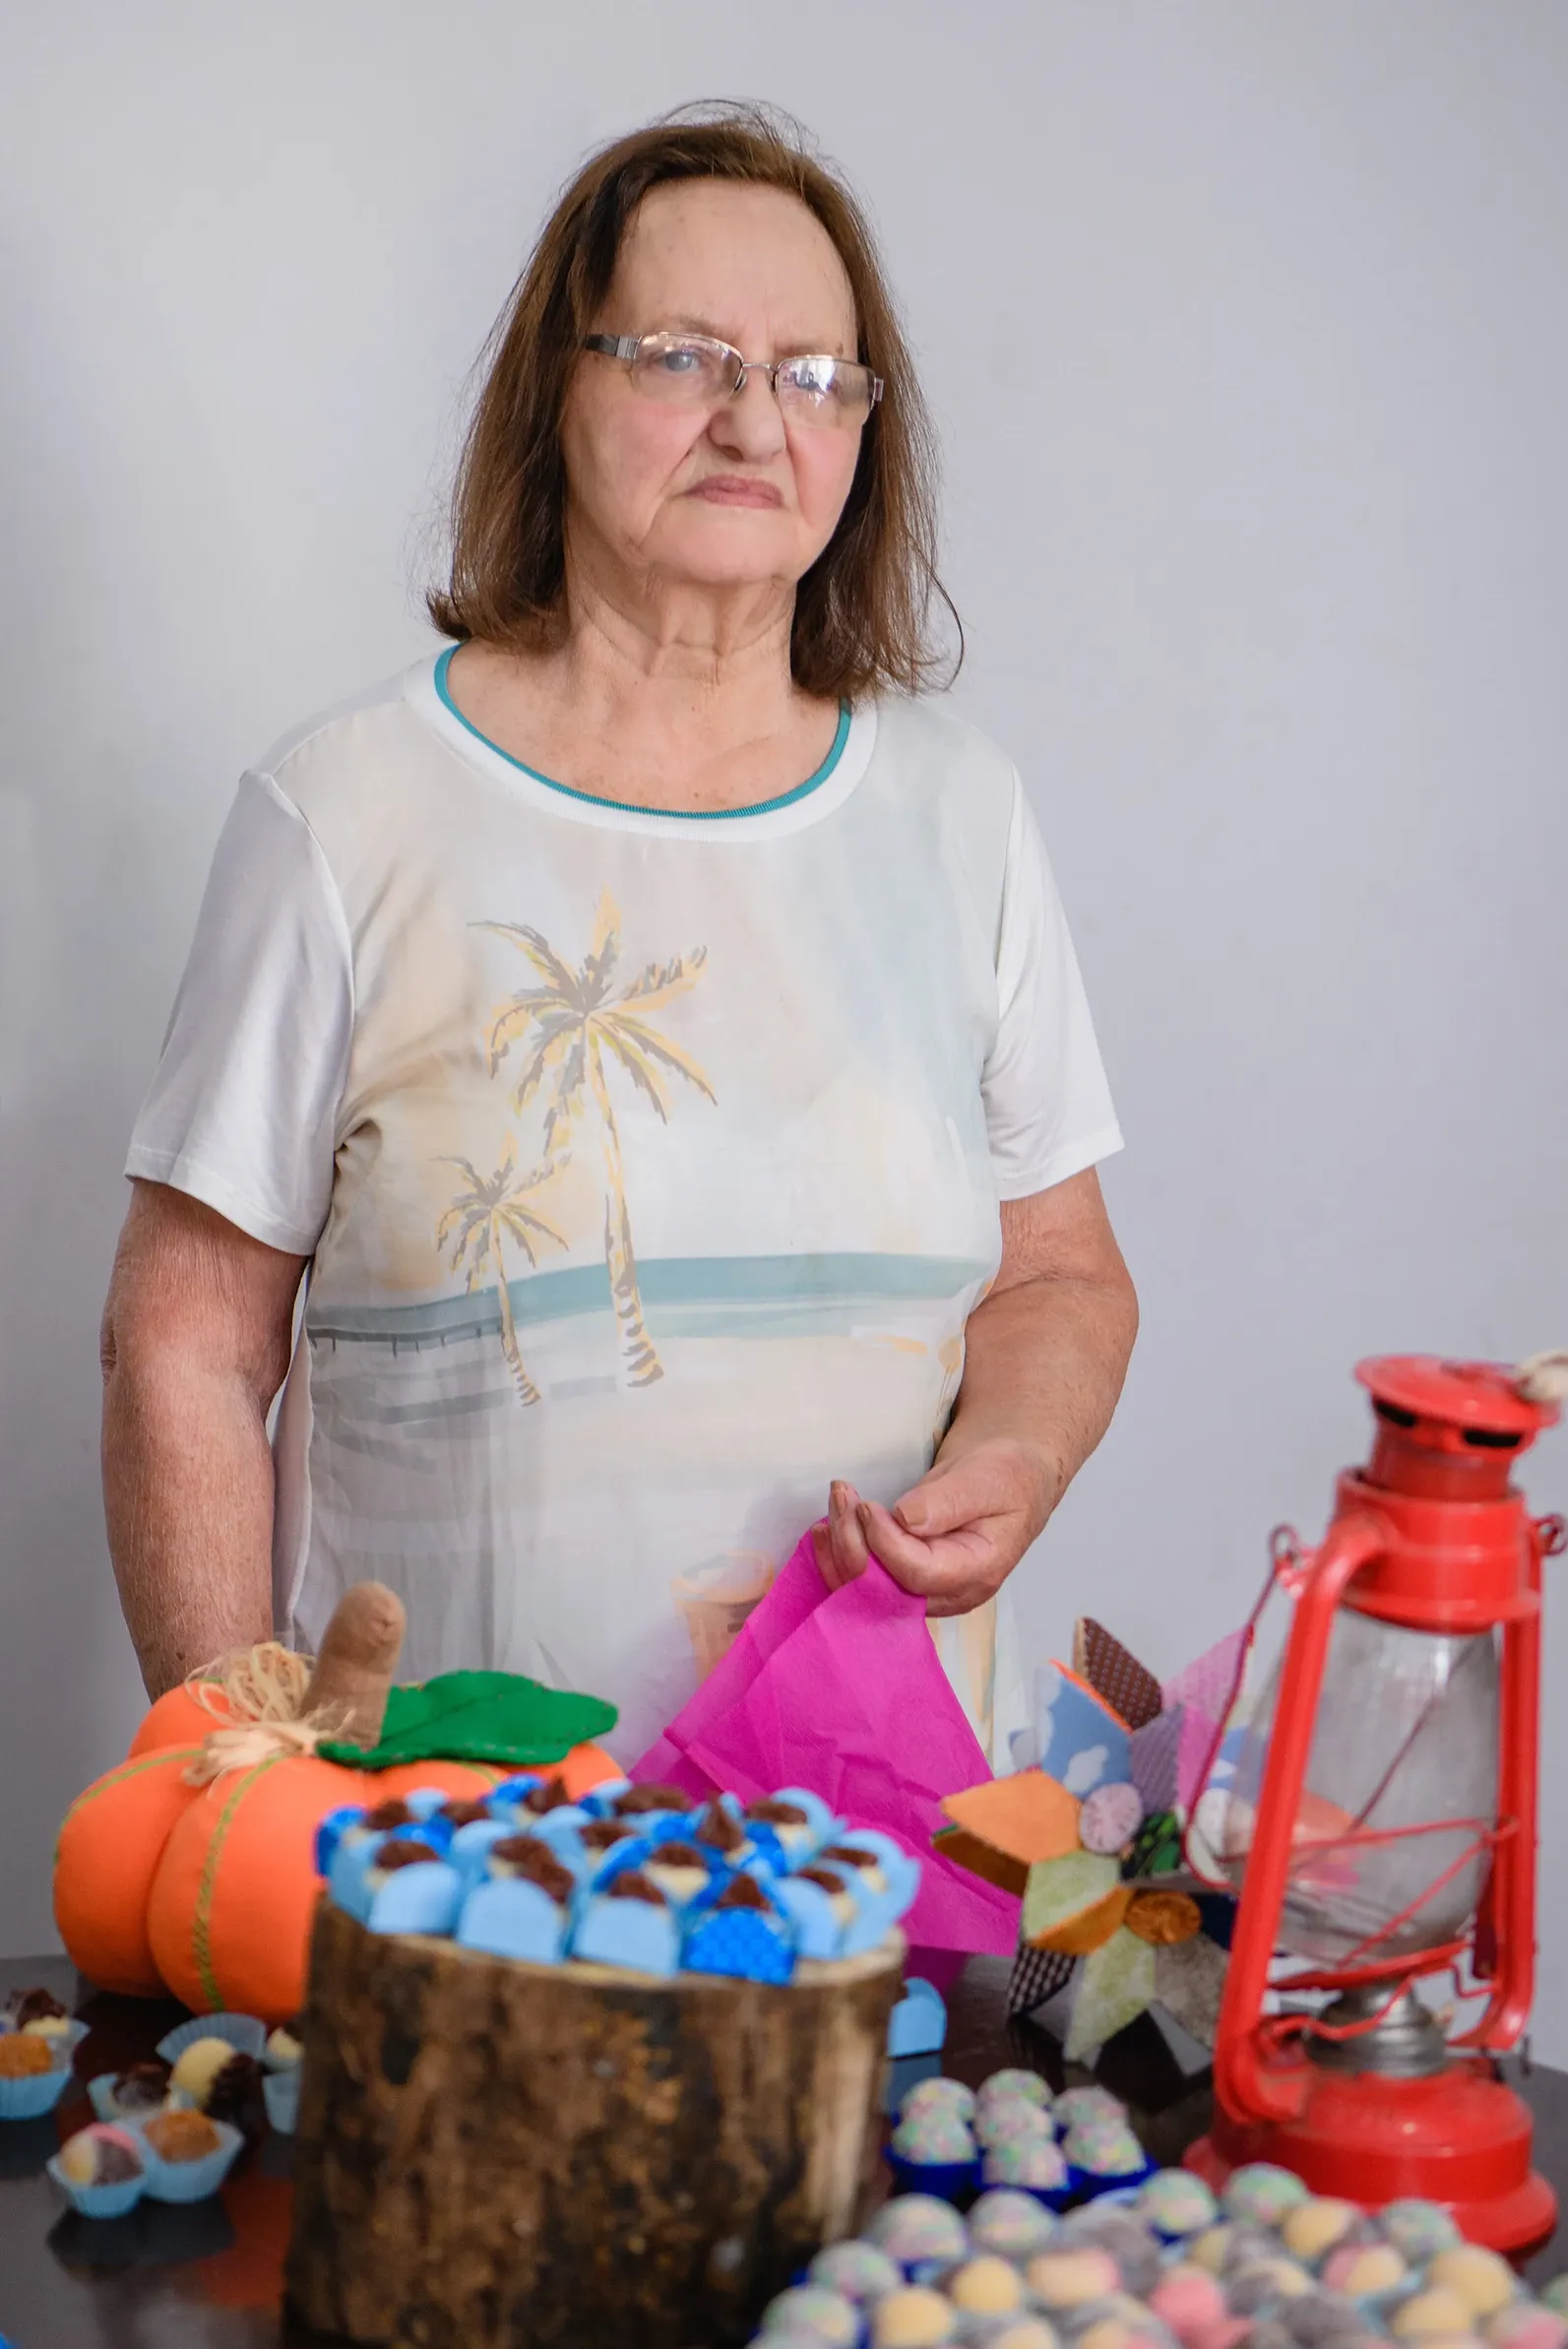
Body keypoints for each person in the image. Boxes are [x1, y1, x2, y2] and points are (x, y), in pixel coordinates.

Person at [101, 107, 1137, 1767]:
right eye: (681, 356)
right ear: (557, 391)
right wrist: (241, 1785)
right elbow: (188, 1341)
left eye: (814, 373)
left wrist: (1015, 1450)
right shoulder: (345, 814)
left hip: (875, 1860)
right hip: (430, 1856)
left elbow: (1061, 1272)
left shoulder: (965, 813)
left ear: (868, 429)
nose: (752, 417)